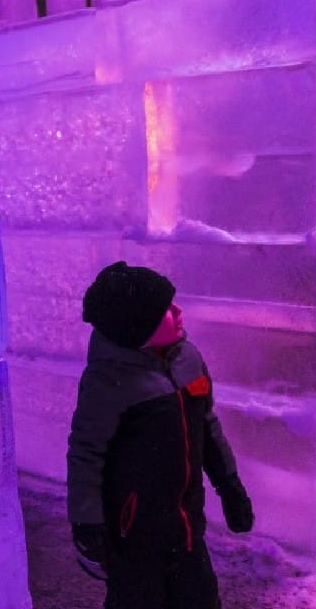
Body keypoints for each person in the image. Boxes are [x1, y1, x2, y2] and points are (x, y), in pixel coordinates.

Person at [67, 261, 254, 609]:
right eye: (165, 310)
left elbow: (207, 425)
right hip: (134, 538)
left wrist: (229, 485)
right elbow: (86, 455)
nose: (178, 312)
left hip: (187, 530)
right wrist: (87, 523)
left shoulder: (188, 359)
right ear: (136, 327)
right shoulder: (108, 382)